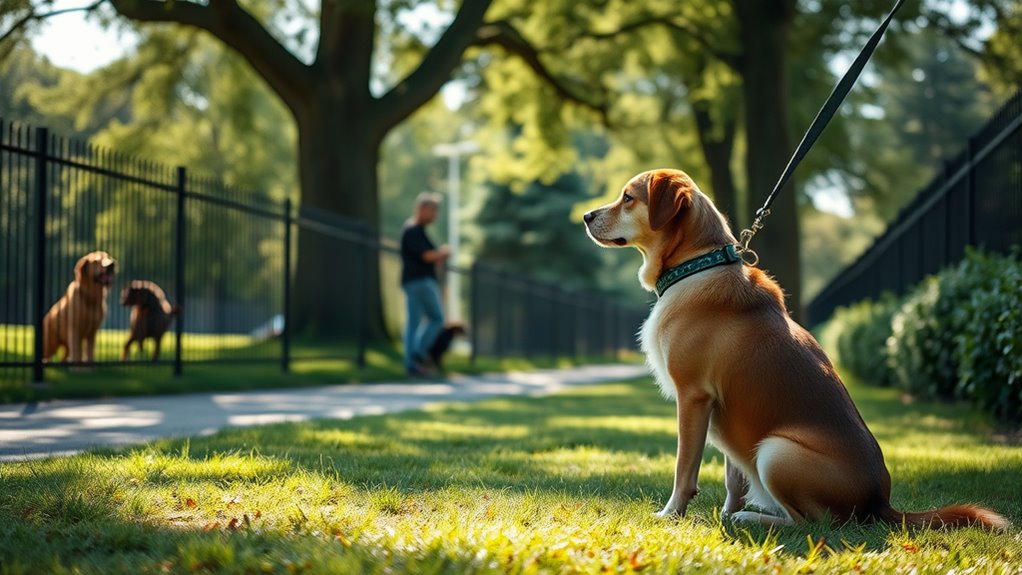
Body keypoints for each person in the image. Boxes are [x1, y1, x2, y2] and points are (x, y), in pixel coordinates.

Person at [400, 192, 450, 376]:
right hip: (418, 281)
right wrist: (442, 253)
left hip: (416, 281)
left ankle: (412, 362)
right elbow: (427, 255)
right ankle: (417, 355)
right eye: (433, 210)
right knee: (436, 318)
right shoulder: (412, 229)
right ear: (422, 208)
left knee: (414, 321)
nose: (435, 214)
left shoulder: (419, 231)